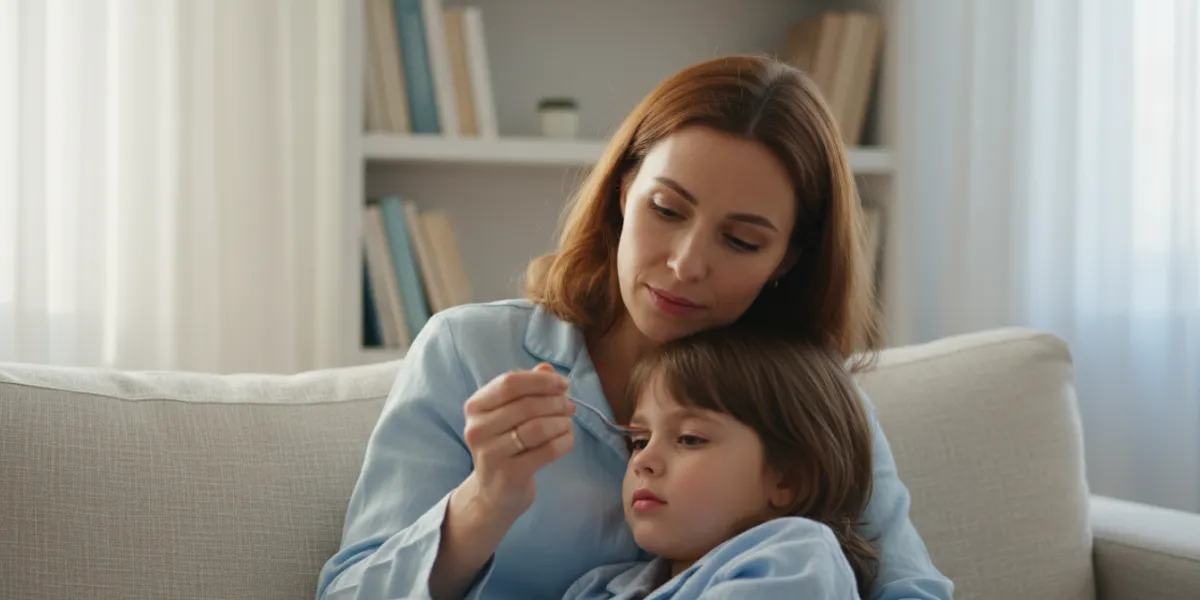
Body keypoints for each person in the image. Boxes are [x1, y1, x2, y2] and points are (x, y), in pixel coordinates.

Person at [315, 53, 954, 600]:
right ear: (624, 192)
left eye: (740, 240)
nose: (685, 264)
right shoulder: (469, 353)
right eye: (667, 209)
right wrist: (485, 501)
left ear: (786, 258)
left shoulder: (806, 400)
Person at [561, 328, 879, 599]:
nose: (644, 460)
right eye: (639, 441)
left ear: (787, 481)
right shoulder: (602, 587)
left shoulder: (795, 560)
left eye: (689, 438)